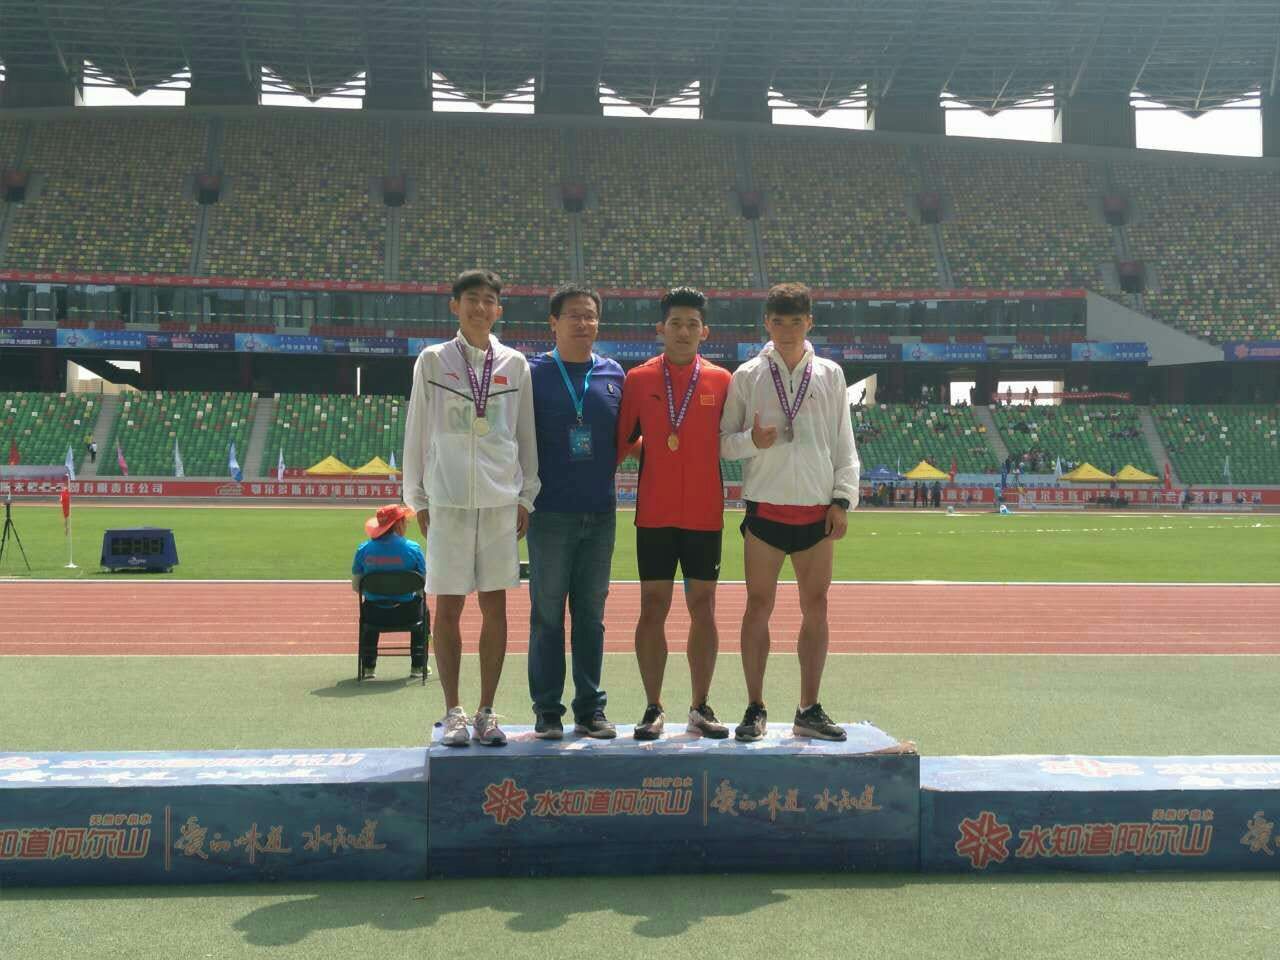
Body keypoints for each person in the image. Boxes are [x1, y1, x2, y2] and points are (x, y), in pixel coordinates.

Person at [402, 268, 539, 748]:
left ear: (499, 309)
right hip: (449, 500)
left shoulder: (515, 364)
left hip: (500, 502)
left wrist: (526, 495)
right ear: (455, 306)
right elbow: (418, 428)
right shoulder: (433, 360)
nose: (480, 308)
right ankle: (453, 712)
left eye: (488, 301)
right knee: (448, 606)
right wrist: (417, 497)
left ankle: (486, 711)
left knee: (495, 606)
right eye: (471, 299)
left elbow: (525, 433)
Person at [720, 282, 860, 743]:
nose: (786, 330)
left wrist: (842, 500)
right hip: (766, 511)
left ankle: (808, 708)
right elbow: (723, 443)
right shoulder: (748, 375)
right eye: (778, 321)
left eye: (796, 321)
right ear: (766, 322)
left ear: (809, 323)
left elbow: (844, 442)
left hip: (817, 514)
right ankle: (754, 706)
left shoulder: (831, 374)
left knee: (816, 607)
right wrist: (751, 442)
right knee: (758, 606)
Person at [615, 287, 733, 741]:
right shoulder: (639, 379)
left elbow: (734, 439)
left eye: (692, 325)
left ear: (705, 332)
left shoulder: (722, 380)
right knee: (652, 607)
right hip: (655, 514)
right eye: (675, 324)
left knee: (704, 608)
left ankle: (700, 705)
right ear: (660, 329)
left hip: (705, 514)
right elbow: (623, 441)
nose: (683, 332)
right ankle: (653, 706)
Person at [526, 283, 624, 740]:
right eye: (573, 315)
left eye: (590, 315)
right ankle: (547, 710)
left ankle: (590, 709)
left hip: (600, 514)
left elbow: (625, 438)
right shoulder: (532, 373)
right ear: (553, 322)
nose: (583, 323)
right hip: (549, 513)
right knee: (547, 615)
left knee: (591, 617)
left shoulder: (614, 374)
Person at [351, 503, 428, 679]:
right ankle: (418, 666)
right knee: (425, 612)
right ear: (398, 524)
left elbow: (356, 586)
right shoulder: (413, 548)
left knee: (367, 608)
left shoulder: (364, 549)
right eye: (405, 522)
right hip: (408, 614)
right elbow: (424, 584)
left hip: (374, 615)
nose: (407, 525)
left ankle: (368, 668)